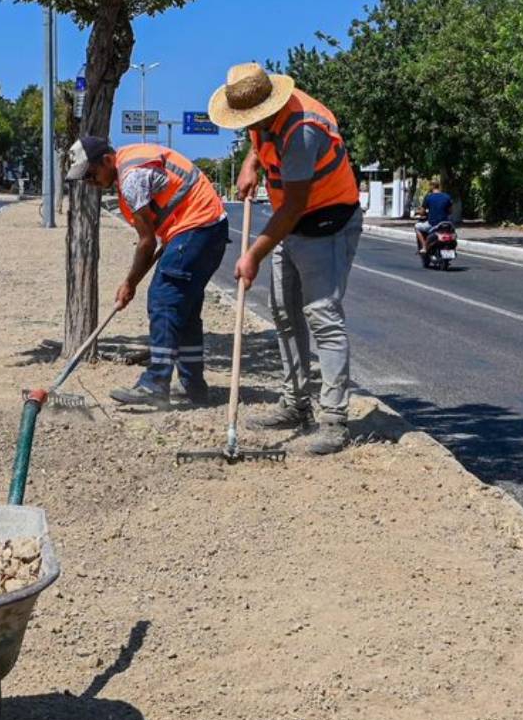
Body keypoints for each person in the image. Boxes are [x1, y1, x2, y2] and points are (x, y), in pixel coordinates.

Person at [208, 63, 362, 455]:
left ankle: (333, 419)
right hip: (291, 223)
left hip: (326, 220)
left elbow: (293, 205)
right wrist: (250, 163)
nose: (250, 125)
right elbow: (258, 140)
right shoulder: (265, 116)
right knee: (284, 314)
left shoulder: (303, 129)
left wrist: (253, 255)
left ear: (269, 104)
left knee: (322, 314)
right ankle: (296, 403)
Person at [65, 135, 229, 409]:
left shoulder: (131, 178)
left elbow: (146, 241)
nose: (89, 182)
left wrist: (130, 282)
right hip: (206, 227)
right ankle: (192, 388)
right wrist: (132, 281)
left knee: (163, 300)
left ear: (106, 160)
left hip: (197, 227)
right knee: (183, 311)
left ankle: (155, 384)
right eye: (84, 179)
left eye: (90, 174)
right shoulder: (129, 164)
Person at [414, 177, 453, 252]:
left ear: (431, 186)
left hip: (433, 224)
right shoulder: (447, 196)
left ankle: (424, 247)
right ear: (439, 186)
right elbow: (450, 211)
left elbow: (422, 212)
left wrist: (418, 212)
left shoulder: (428, 197)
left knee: (417, 227)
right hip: (445, 223)